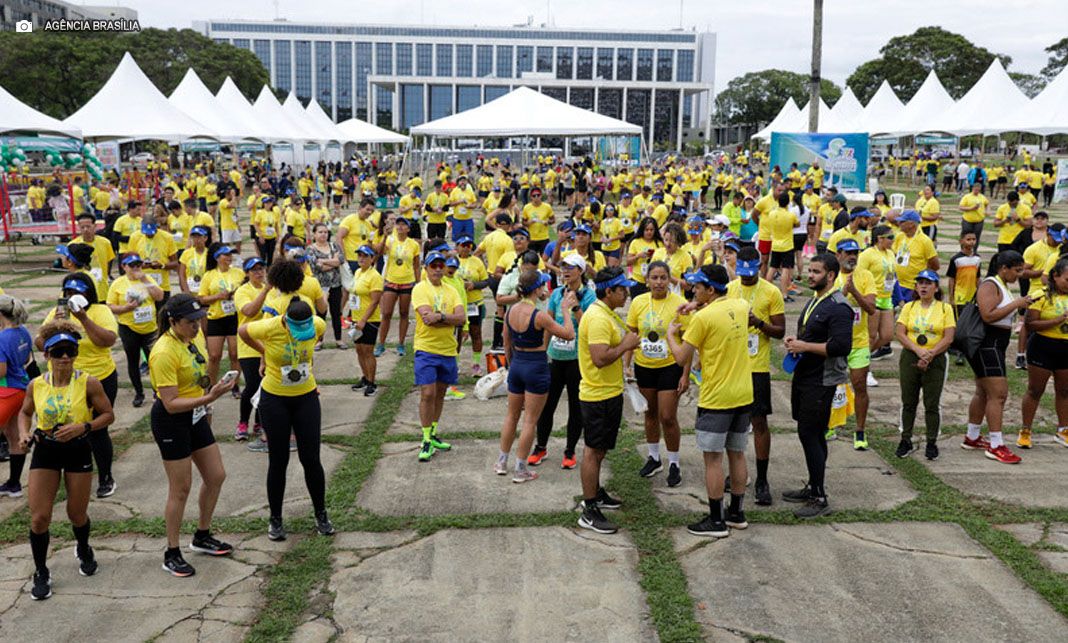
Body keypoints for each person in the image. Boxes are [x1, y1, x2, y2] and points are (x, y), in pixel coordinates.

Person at [17, 321, 115, 599]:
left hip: (77, 449)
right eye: (58, 352)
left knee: (76, 513)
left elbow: (107, 414)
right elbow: (25, 413)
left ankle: (83, 547)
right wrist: (24, 434)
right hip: (46, 450)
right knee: (39, 518)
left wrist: (83, 427)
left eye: (70, 351)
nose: (64, 358)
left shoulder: (88, 382)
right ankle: (41, 572)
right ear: (46, 355)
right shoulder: (36, 384)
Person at [148, 295, 235, 577]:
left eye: (199, 320)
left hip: (196, 415)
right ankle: (171, 551)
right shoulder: (163, 352)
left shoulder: (192, 339)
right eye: (190, 322)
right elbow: (171, 403)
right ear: (173, 322)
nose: (197, 327)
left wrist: (211, 391)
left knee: (216, 475)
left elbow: (200, 375)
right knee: (180, 488)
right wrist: (209, 397)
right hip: (172, 421)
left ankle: (202, 535)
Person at [666, 264, 752, 537]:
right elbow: (725, 313)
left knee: (713, 459)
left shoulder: (703, 320)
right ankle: (736, 513)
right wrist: (697, 305)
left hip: (717, 398)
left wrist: (670, 334)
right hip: (744, 393)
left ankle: (716, 520)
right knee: (736, 454)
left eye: (698, 287)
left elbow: (682, 358)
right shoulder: (739, 305)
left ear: (710, 290)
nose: (693, 290)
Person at [239, 298, 335, 541]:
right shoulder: (269, 326)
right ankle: (276, 519)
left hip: (306, 398)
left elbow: (314, 340)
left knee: (311, 458)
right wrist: (263, 353)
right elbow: (242, 331)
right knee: (278, 460)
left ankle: (321, 514)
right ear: (286, 322)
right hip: (275, 400)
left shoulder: (318, 324)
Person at [782, 253, 853, 518]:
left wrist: (805, 346)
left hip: (822, 380)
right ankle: (813, 485)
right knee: (809, 433)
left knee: (810, 434)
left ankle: (819, 497)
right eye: (809, 270)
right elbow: (812, 335)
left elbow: (841, 346)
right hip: (805, 374)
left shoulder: (839, 306)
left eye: (816, 272)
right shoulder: (816, 299)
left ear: (831, 275)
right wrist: (797, 342)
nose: (810, 275)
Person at [40, 272, 119, 499]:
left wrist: (83, 318)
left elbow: (107, 340)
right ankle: (67, 474)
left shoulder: (100, 311)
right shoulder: (57, 314)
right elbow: (40, 343)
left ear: (88, 293)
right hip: (64, 380)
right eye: (69, 292)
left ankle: (105, 477)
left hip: (98, 377)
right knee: (61, 427)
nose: (73, 296)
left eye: (79, 292)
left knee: (97, 428)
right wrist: (56, 325)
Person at [494, 271, 576, 482]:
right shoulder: (538, 315)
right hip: (536, 367)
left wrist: (512, 367)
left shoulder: (511, 311)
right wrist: (566, 310)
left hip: (518, 365)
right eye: (543, 287)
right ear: (537, 289)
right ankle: (520, 468)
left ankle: (502, 461)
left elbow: (506, 342)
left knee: (511, 416)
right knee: (530, 420)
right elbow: (568, 333)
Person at [576, 267, 640, 534]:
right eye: (622, 289)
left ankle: (597, 491)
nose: (626, 293)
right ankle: (589, 509)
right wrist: (626, 345)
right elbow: (600, 358)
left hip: (609, 393)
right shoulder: (599, 319)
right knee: (593, 450)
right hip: (597, 395)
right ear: (609, 292)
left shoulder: (606, 313)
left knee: (600, 449)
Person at [725, 247, 785, 505]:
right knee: (731, 423)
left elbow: (780, 331)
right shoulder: (730, 289)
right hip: (733, 365)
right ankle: (738, 473)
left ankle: (762, 479)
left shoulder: (771, 292)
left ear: (761, 266)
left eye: (751, 274)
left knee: (759, 423)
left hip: (757, 367)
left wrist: (758, 322)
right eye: (743, 274)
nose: (747, 279)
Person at [528, 254, 596, 469]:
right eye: (563, 267)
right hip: (555, 358)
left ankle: (569, 451)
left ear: (581, 271)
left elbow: (587, 326)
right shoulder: (557, 294)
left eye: (571, 268)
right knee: (547, 406)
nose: (565, 271)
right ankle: (541, 447)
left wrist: (575, 307)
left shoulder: (589, 296)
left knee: (576, 408)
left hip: (576, 360)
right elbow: (548, 323)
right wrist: (542, 351)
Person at [626, 261, 689, 486]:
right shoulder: (639, 302)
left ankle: (674, 462)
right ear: (647, 280)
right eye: (654, 277)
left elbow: (689, 341)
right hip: (644, 365)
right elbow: (632, 334)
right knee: (650, 413)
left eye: (663, 277)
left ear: (669, 279)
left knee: (668, 416)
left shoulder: (680, 304)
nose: (659, 282)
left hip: (670, 366)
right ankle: (654, 458)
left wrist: (685, 374)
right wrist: (627, 364)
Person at [964, 251, 1029, 464]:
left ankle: (972, 437)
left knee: (983, 392)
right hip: (987, 344)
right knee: (999, 395)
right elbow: (988, 314)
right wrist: (1017, 304)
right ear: (1004, 268)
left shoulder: (1001, 284)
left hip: (995, 345)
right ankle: (996, 444)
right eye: (1017, 270)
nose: (1019, 275)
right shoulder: (990, 284)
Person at [895, 270, 956, 461]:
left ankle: (931, 441)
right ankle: (906, 439)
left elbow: (948, 337)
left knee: (932, 402)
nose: (923, 286)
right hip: (911, 356)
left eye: (928, 283)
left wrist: (930, 353)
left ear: (936, 287)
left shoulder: (945, 309)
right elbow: (900, 332)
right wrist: (918, 351)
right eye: (920, 283)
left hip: (936, 358)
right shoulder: (909, 307)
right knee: (908, 400)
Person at [411, 251, 466, 462]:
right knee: (427, 393)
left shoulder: (452, 290)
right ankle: (425, 438)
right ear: (426, 268)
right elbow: (427, 319)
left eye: (440, 265)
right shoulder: (420, 288)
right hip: (426, 348)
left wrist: (441, 316)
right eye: (433, 266)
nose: (437, 269)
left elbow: (461, 319)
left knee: (441, 394)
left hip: (448, 349)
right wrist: (448, 319)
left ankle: (433, 433)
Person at [831, 239, 876, 446]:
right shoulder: (830, 275)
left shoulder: (865, 276)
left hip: (858, 342)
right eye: (848, 253)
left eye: (855, 253)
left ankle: (860, 430)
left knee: (859, 385)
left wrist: (855, 291)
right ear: (838, 254)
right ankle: (830, 425)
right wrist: (844, 293)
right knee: (832, 385)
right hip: (835, 341)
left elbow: (871, 308)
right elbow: (825, 306)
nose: (852, 257)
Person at [106, 254, 164, 408]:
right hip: (129, 327)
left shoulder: (148, 279)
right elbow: (110, 306)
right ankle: (139, 393)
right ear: (124, 267)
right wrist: (126, 308)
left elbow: (160, 297)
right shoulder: (118, 283)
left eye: (138, 264)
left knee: (154, 361)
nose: (136, 268)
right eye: (132, 265)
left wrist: (145, 280)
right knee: (133, 361)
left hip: (150, 328)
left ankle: (156, 391)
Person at [1021, 257, 1068, 449]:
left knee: (1064, 391)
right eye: (1067, 279)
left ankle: (1063, 429)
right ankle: (1025, 430)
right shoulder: (1040, 295)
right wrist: (1057, 320)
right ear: (1055, 276)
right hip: (1042, 346)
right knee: (1035, 390)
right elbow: (1030, 324)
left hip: (1066, 348)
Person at [233, 257, 269, 445]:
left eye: (261, 268)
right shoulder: (243, 291)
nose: (258, 272)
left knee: (266, 386)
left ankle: (260, 422)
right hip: (249, 346)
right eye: (253, 270)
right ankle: (243, 422)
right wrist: (265, 291)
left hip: (268, 345)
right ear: (246, 273)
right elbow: (249, 311)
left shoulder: (272, 290)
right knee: (253, 385)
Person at [374, 216, 420, 357]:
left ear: (408, 229)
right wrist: (384, 238)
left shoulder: (413, 244)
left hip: (407, 281)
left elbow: (416, 266)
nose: (400, 227)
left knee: (404, 313)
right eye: (398, 224)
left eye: (403, 225)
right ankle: (381, 343)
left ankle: (401, 344)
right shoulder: (390, 240)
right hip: (391, 280)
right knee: (386, 313)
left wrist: (418, 283)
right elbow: (380, 253)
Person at [0, 296, 32, 499]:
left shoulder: (2, 338)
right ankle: (14, 483)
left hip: (6, 392)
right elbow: (28, 358)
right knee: (14, 438)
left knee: (12, 437)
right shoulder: (24, 332)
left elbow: (1, 372)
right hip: (22, 389)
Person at [198, 244, 241, 392]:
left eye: (230, 255)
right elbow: (202, 299)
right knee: (214, 356)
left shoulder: (238, 273)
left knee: (235, 354)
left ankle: (234, 385)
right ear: (217, 258)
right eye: (226, 255)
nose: (229, 258)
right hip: (216, 318)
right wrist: (218, 296)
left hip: (234, 317)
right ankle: (211, 385)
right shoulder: (209, 275)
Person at [348, 245, 384, 396]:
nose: (361, 259)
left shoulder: (375, 276)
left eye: (365, 256)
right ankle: (365, 377)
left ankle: (372, 381)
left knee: (368, 351)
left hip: (369, 320)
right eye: (359, 255)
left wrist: (363, 319)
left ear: (372, 258)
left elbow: (375, 301)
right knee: (359, 350)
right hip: (356, 317)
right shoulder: (357, 272)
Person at [859, 225, 897, 361]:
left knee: (887, 335)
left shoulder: (891, 253)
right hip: (872, 298)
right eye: (890, 237)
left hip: (887, 298)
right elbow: (859, 275)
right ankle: (863, 362)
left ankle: (863, 356)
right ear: (879, 239)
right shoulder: (867, 255)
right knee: (871, 335)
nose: (893, 240)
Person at [306, 223, 346, 349]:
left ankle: (338, 339)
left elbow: (340, 260)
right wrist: (332, 263)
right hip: (320, 286)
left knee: (336, 312)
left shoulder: (334, 246)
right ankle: (319, 340)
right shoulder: (310, 249)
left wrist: (323, 260)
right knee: (320, 314)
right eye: (320, 232)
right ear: (314, 234)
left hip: (335, 284)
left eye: (325, 232)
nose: (323, 234)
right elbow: (317, 267)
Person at [455, 237, 489, 376]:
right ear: (457, 246)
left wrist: (473, 285)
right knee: (456, 336)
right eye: (463, 245)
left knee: (476, 333)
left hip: (474, 304)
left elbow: (486, 281)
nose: (466, 248)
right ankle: (455, 364)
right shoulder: (453, 261)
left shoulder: (477, 261)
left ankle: (476, 363)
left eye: (469, 245)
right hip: (456, 304)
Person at [892, 210, 939, 305]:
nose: (899, 224)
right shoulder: (899, 237)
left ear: (911, 224)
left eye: (902, 222)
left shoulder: (925, 241)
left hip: (912, 286)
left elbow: (935, 265)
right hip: (897, 284)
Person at [625, 217, 664, 299]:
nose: (649, 232)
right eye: (646, 230)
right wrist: (638, 256)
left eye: (651, 230)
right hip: (637, 280)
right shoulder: (635, 242)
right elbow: (628, 262)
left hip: (653, 281)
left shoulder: (659, 243)